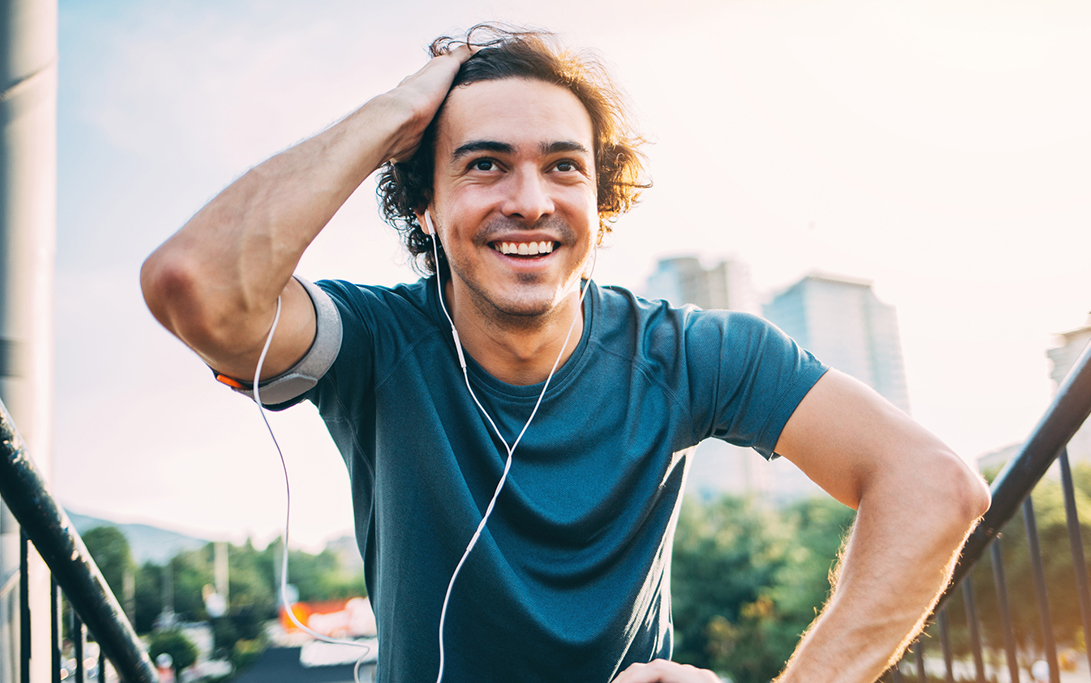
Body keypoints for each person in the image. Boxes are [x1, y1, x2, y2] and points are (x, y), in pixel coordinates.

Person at [140, 25, 990, 683]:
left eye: (563, 167)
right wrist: (399, 110)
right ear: (425, 205)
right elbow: (196, 284)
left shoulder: (690, 351)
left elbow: (935, 485)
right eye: (484, 165)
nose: (530, 201)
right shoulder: (375, 342)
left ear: (600, 198)